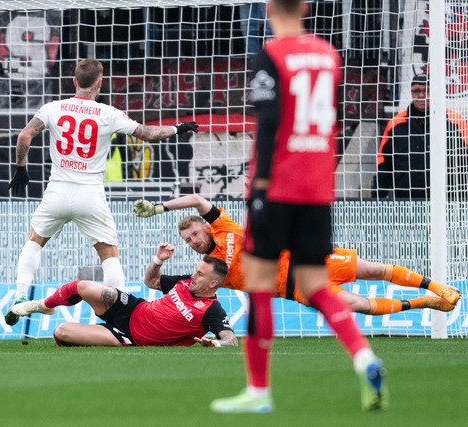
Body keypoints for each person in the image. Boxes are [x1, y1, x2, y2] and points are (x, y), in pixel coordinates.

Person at [224, 0, 385, 412]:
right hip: (317, 189)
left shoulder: (270, 54)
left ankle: (258, 391)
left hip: (275, 187)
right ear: (307, 6)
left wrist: (258, 184)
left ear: (267, 7)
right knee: (316, 286)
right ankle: (364, 356)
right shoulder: (328, 54)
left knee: (259, 285)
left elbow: (271, 118)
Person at [5, 58, 198, 326]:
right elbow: (148, 134)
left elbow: (24, 136)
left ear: (74, 81)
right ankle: (115, 320)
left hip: (57, 191)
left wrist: (21, 169)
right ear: (100, 83)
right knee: (109, 256)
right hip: (90, 194)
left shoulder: (53, 108)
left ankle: (20, 295)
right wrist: (178, 128)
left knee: (34, 241)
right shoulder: (108, 113)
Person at [134, 195, 461, 314]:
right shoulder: (207, 273)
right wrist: (158, 260)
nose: (192, 241)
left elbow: (195, 198)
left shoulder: (225, 228)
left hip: (307, 259)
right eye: (188, 241)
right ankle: (426, 303)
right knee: (358, 306)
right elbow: (152, 283)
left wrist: (159, 207)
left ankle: (437, 287)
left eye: (194, 234)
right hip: (296, 290)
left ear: (204, 228)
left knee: (374, 271)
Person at [10, 244, 237, 347]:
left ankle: (88, 335)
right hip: (134, 308)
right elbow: (151, 282)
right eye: (196, 270)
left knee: (62, 332)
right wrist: (158, 261)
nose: (194, 275)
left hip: (131, 337)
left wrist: (215, 344)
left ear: (213, 283)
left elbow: (231, 339)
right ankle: (43, 305)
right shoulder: (185, 282)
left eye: (200, 273)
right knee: (82, 286)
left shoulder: (212, 310)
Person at [374, 73, 468, 199]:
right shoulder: (395, 124)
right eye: (416, 91)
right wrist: (376, 200)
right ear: (411, 93)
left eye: (427, 91)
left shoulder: (456, 122)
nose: (421, 95)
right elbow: (384, 165)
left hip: (449, 203)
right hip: (407, 203)